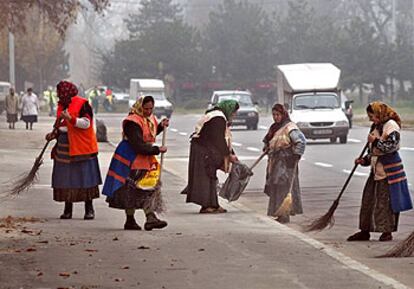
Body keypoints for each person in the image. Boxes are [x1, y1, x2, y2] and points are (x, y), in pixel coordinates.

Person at [347, 102, 413, 242]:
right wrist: (364, 160)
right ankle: (365, 231)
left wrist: (375, 141)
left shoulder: (391, 126)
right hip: (376, 170)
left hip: (389, 172)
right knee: (368, 200)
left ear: (380, 114)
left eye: (373, 116)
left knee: (386, 203)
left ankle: (386, 232)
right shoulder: (376, 126)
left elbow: (391, 146)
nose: (371, 119)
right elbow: (374, 152)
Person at [102, 95, 169, 231]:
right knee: (133, 189)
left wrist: (161, 126)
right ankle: (136, 219)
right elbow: (138, 144)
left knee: (143, 187)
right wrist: (157, 149)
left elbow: (150, 133)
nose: (149, 112)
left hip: (143, 157)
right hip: (130, 158)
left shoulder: (148, 119)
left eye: (151, 108)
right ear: (139, 107)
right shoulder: (132, 122)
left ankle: (148, 218)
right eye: (146, 109)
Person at [45, 81, 102, 220]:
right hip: (64, 147)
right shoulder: (61, 106)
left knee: (85, 179)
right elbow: (61, 125)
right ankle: (67, 210)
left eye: (60, 93)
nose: (58, 96)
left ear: (66, 93)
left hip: (82, 148)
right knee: (66, 179)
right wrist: (54, 133)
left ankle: (89, 209)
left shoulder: (83, 104)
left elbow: (86, 124)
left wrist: (71, 119)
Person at [184, 100, 239, 214]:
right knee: (206, 177)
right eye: (234, 112)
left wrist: (231, 153)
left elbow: (223, 138)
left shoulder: (216, 115)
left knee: (211, 176)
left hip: (204, 148)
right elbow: (218, 140)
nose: (234, 115)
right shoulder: (218, 119)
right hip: (203, 150)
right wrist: (228, 155)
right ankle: (206, 206)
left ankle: (214, 204)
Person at [262, 103, 306, 223]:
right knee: (276, 187)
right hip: (275, 162)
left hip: (287, 162)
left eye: (278, 114)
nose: (275, 117)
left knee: (284, 187)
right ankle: (279, 212)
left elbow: (301, 141)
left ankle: (285, 214)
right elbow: (268, 140)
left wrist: (296, 155)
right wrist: (266, 146)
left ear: (283, 114)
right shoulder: (274, 128)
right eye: (274, 115)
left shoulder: (290, 127)